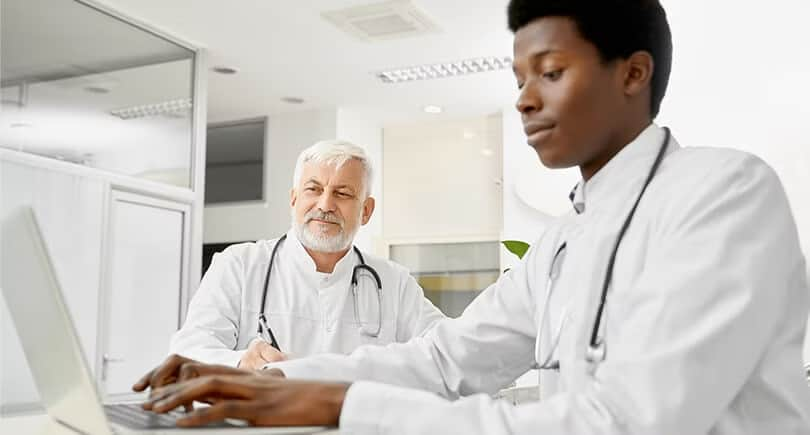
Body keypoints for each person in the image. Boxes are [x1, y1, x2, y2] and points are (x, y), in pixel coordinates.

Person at [134, 0, 810, 433]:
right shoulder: (562, 243)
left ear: (633, 74)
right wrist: (269, 381)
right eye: (518, 78)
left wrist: (343, 404)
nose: (523, 100)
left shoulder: (723, 193)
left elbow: (633, 420)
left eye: (549, 72)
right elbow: (445, 359)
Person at [170, 140, 445, 369]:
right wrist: (241, 362)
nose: (325, 205)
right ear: (293, 199)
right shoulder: (240, 265)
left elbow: (448, 349)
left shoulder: (394, 283)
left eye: (343, 193)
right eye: (313, 189)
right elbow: (187, 355)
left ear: (366, 210)